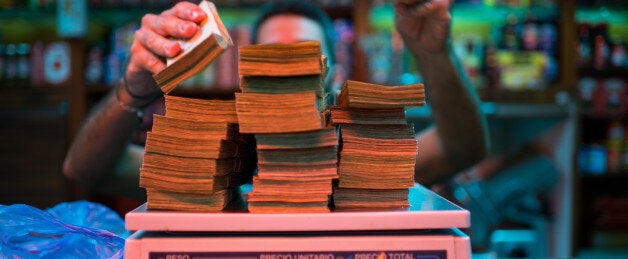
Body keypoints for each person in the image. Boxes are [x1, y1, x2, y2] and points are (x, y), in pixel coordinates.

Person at [63, 0, 488, 201]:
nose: (285, 69)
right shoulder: (222, 160)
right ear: (245, 79)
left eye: (302, 55)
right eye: (269, 58)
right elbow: (86, 171)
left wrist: (433, 52)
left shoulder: (361, 156)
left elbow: (462, 149)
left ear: (333, 74)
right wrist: (132, 90)